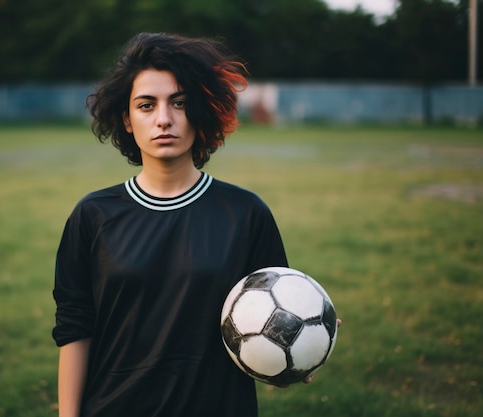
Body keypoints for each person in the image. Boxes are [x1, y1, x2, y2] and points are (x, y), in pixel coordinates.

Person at [52, 32, 325, 417]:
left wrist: (304, 341)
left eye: (180, 103)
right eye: (146, 105)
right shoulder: (92, 215)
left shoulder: (246, 214)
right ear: (127, 120)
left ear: (201, 112)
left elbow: (273, 320)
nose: (164, 119)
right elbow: (75, 328)